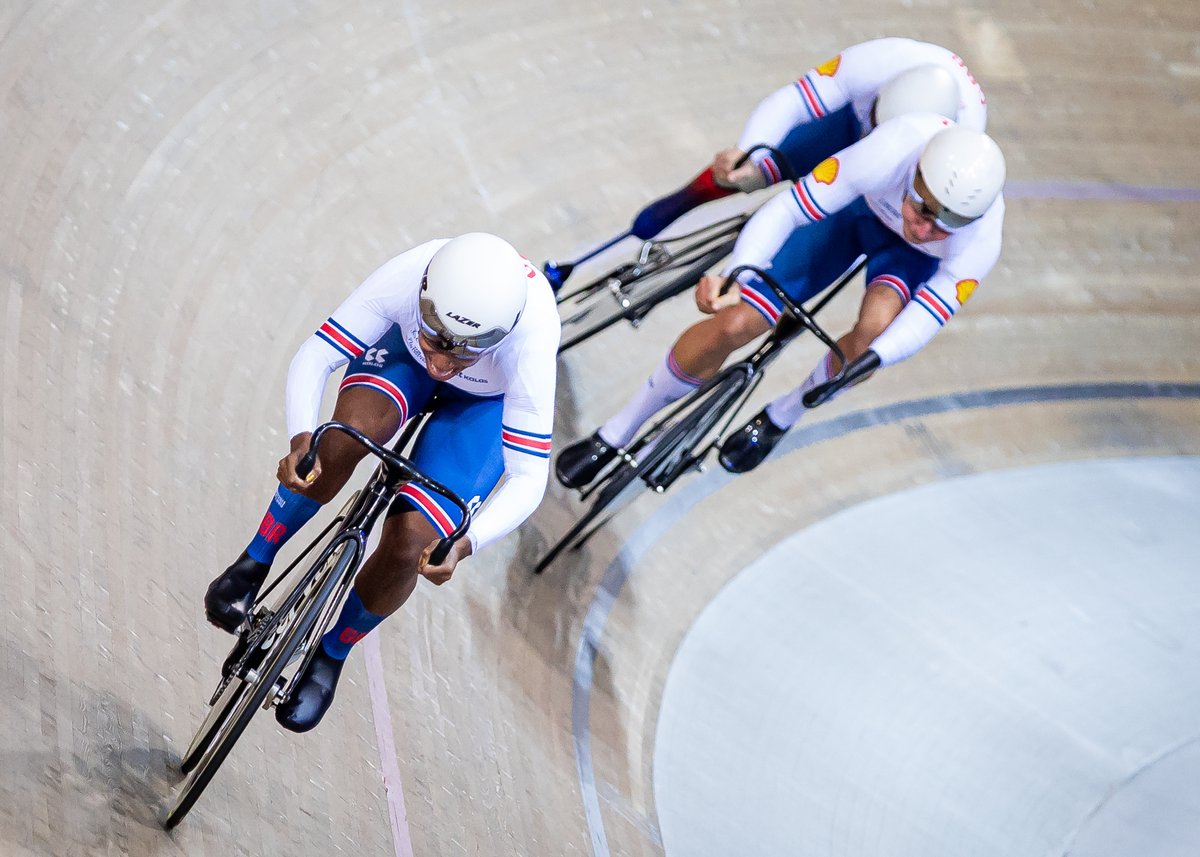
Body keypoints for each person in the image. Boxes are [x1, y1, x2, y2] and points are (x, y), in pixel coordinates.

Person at [205, 233, 560, 732]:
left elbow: (528, 478)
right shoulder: (407, 275)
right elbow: (318, 354)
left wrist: (466, 543)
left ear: (503, 335)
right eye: (437, 336)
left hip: (483, 406)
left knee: (412, 543)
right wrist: (301, 438)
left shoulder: (532, 342)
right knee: (340, 443)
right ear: (424, 295)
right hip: (401, 363)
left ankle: (332, 653)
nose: (443, 361)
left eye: (465, 352)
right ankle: (253, 561)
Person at [555, 117, 1005, 486]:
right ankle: (618, 431)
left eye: (945, 226)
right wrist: (740, 272)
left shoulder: (981, 240)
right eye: (922, 210)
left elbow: (924, 321)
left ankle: (781, 416)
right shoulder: (891, 150)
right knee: (736, 323)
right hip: (852, 212)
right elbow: (791, 209)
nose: (926, 229)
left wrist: (872, 360)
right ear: (915, 176)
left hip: (902, 262)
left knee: (875, 340)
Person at [544, 36, 987, 289]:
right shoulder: (882, 61)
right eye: (880, 122)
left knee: (834, 241)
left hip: (893, 176)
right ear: (882, 96)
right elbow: (795, 100)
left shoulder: (959, 154)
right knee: (732, 176)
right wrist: (748, 152)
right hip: (844, 127)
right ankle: (581, 260)